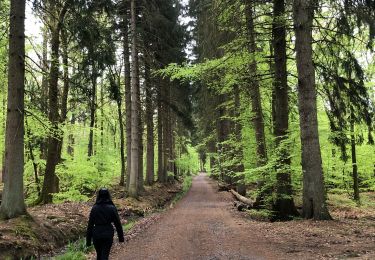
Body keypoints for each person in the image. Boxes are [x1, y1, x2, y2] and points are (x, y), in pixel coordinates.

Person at [86, 188, 124, 260]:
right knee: (105, 255)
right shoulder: (112, 208)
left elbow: (90, 224)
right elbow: (117, 224)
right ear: (108, 195)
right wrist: (121, 238)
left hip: (96, 233)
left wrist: (88, 240)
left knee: (99, 255)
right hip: (108, 233)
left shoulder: (94, 208)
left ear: (99, 196)